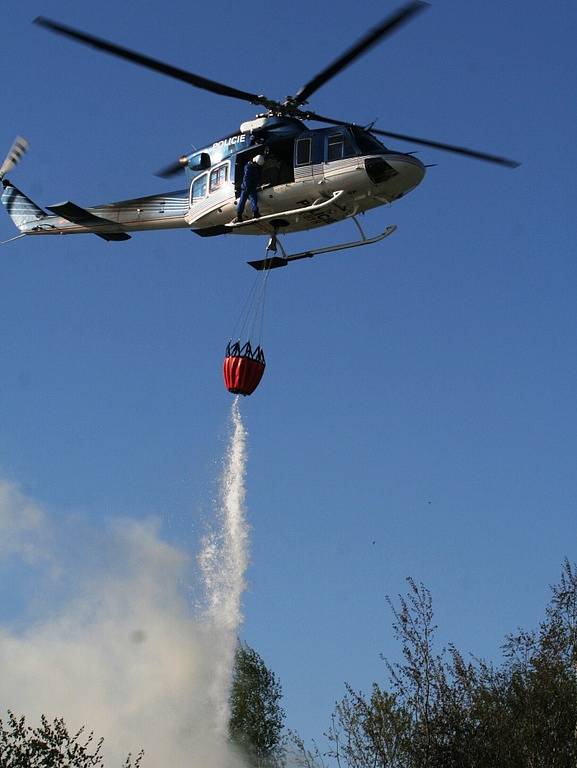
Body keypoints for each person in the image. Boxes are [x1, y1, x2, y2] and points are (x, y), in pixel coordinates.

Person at [232, 154, 265, 223]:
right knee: (242, 201)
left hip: (251, 187)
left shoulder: (255, 167)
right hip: (246, 188)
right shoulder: (249, 166)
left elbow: (256, 178)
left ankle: (255, 213)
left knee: (254, 200)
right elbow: (246, 177)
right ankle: (239, 216)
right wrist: (247, 186)